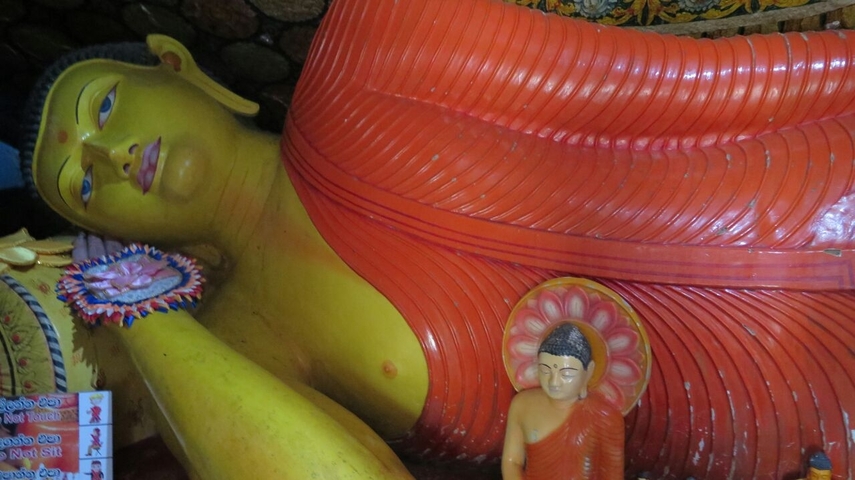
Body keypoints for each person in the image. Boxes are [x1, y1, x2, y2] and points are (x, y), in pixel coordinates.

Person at [19, 0, 855, 476]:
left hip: (803, 170)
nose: (112, 156)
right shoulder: (250, 352)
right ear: (101, 235)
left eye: (103, 108)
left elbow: (675, 89)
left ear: (176, 65)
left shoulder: (371, 39)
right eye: (83, 186)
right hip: (782, 422)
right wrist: (142, 311)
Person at [502, 323, 623, 479]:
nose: (554, 382)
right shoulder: (522, 404)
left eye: (566, 374)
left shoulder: (604, 416)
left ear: (588, 372)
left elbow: (612, 476)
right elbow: (512, 462)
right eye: (545, 370)